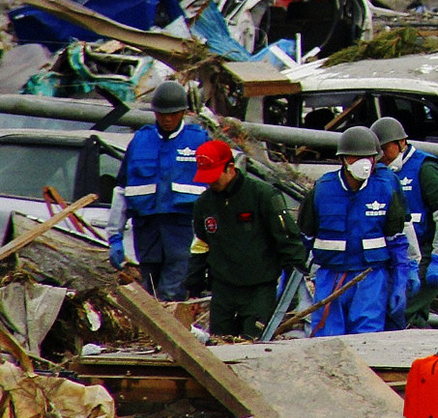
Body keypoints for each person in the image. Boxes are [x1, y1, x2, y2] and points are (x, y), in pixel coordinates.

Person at [298, 125, 416, 336]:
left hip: (370, 279)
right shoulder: (322, 190)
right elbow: (303, 241)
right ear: (342, 159)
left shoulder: (386, 188)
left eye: (369, 158)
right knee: (327, 339)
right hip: (330, 278)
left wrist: (401, 279)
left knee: (367, 338)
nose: (363, 164)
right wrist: (289, 277)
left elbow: (397, 240)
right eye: (355, 157)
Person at [184, 140, 308, 339]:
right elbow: (201, 246)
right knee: (219, 344)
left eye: (215, 177)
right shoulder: (204, 204)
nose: (211, 183)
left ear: (230, 168)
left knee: (252, 342)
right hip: (223, 291)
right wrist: (194, 287)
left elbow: (288, 241)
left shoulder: (263, 195)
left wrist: (292, 290)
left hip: (259, 290)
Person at [107, 80, 208, 301]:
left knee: (171, 294)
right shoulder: (141, 140)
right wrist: (114, 236)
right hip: (147, 231)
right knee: (149, 295)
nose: (167, 119)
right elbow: (122, 189)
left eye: (173, 114)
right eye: (162, 114)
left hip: (182, 232)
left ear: (183, 112)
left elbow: (214, 191)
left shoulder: (198, 140)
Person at [373, 117, 438, 328]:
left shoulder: (425, 168)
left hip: (429, 252)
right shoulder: (384, 173)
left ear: (401, 143)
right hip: (403, 253)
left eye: (384, 149)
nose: (380, 156)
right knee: (413, 314)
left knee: (400, 310)